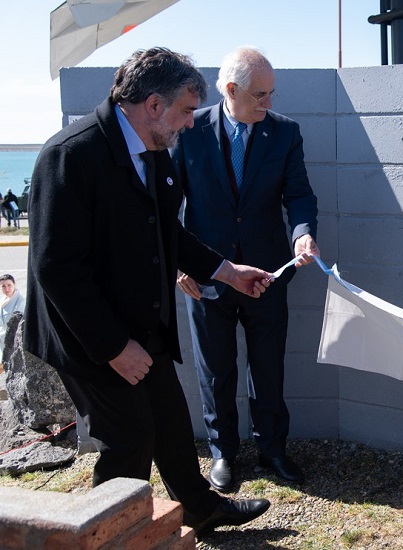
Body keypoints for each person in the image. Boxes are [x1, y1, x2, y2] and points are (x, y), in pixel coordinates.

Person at [24, 47, 274, 535]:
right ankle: (111, 535)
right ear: (153, 105)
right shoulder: (70, 156)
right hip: (88, 335)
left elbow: (168, 235)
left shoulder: (154, 152)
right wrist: (115, 348)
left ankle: (201, 508)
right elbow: (57, 270)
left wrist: (226, 271)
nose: (188, 123)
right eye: (184, 112)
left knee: (170, 420)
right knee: (129, 438)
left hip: (141, 322)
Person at [171, 46, 319, 492]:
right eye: (260, 95)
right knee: (215, 368)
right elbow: (166, 203)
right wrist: (181, 266)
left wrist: (302, 233)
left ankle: (273, 448)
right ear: (231, 90)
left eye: (272, 93)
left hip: (268, 275)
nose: (269, 103)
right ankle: (222, 454)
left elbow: (299, 195)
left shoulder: (285, 133)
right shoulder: (188, 129)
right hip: (207, 276)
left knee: (268, 365)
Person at [1, 274, 25, 367]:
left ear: (14, 284)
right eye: (3, 286)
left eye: (9, 285)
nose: (7, 289)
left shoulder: (21, 302)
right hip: (2, 342)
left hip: (13, 343)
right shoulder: (3, 300)